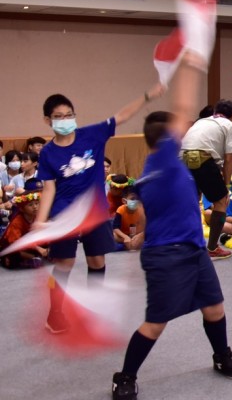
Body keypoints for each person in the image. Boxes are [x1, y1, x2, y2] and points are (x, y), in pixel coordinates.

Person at [111, 47, 232, 400]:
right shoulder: (167, 167)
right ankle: (125, 377)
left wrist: (141, 232)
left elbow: (143, 211)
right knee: (156, 324)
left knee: (215, 308)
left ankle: (222, 356)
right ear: (169, 137)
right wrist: (190, 63)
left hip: (192, 251)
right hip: (166, 258)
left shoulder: (153, 172)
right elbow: (185, 105)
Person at [35, 84, 164, 335]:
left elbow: (123, 115)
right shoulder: (48, 153)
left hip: (95, 211)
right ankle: (55, 312)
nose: (65, 120)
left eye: (69, 114)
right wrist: (40, 220)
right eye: (58, 117)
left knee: (97, 261)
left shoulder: (92, 134)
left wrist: (148, 95)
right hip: (65, 214)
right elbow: (49, 189)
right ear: (47, 120)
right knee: (65, 264)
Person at [181, 100, 232, 260]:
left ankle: (187, 245)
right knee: (221, 201)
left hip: (182, 158)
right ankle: (212, 247)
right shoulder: (229, 125)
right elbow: (229, 159)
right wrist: (226, 186)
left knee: (191, 203)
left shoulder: (201, 121)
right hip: (203, 159)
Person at [0, 179, 48, 269]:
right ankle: (31, 259)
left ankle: (38, 257)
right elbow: (16, 243)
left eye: (37, 203)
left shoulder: (38, 217)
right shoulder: (17, 221)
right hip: (13, 248)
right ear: (22, 209)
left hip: (30, 246)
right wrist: (38, 249)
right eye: (30, 205)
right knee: (13, 255)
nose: (35, 207)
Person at [112, 186, 146, 251]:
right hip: (123, 236)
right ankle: (128, 245)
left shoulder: (141, 210)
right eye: (132, 199)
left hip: (137, 235)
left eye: (138, 198)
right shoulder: (120, 210)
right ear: (124, 201)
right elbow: (115, 228)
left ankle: (129, 245)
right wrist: (125, 237)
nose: (136, 201)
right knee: (113, 236)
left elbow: (146, 226)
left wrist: (139, 236)